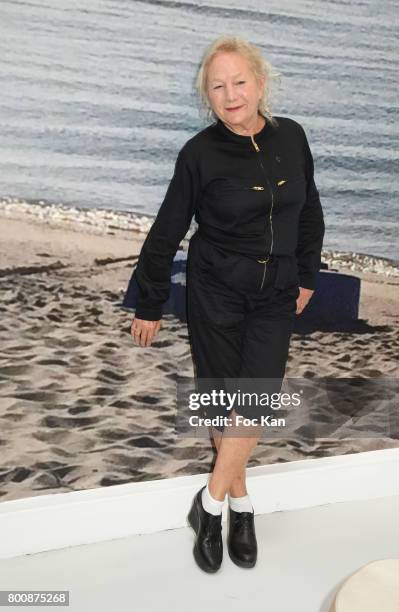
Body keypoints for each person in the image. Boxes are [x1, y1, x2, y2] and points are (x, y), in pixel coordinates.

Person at [130, 35, 325, 573]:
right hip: (215, 290)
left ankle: (209, 504)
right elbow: (167, 229)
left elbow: (309, 210)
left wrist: (307, 272)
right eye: (218, 86)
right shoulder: (199, 153)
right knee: (220, 400)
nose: (230, 94)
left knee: (255, 401)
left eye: (239, 82)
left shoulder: (293, 137)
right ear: (207, 96)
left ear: (261, 83)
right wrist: (149, 301)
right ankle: (242, 505)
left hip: (275, 292)